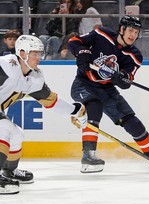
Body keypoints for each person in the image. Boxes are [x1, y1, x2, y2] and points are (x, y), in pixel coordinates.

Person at [68, 15, 149, 173]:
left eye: (136, 32)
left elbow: (127, 80)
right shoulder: (101, 34)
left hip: (107, 90)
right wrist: (82, 52)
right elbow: (74, 41)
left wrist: (122, 78)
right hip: (83, 84)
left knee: (132, 121)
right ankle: (88, 155)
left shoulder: (134, 56)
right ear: (121, 29)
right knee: (94, 106)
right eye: (131, 30)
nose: (133, 35)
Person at [0, 35, 87, 194]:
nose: (39, 58)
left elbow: (51, 101)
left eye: (40, 53)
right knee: (5, 128)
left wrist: (75, 110)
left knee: (17, 134)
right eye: (35, 54)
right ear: (23, 53)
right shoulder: (6, 65)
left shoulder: (34, 78)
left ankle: (8, 171)